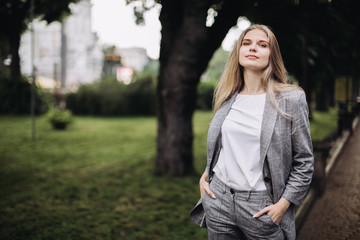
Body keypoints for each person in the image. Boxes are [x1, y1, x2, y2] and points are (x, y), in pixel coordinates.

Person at [190, 24, 314, 240]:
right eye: (246, 43)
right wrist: (206, 176)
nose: (252, 48)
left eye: (262, 44)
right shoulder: (227, 97)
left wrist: (282, 205)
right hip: (219, 200)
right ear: (238, 53)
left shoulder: (291, 99)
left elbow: (304, 162)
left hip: (262, 206)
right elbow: (224, 147)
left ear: (271, 55)